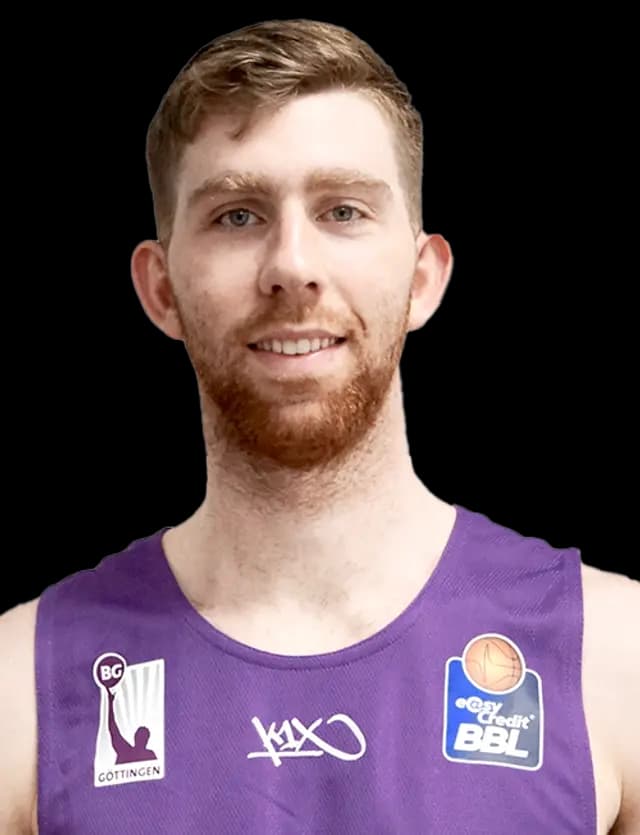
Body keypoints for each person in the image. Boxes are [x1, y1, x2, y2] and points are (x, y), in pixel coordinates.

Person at [1, 18, 637, 835]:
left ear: (422, 278)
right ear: (161, 289)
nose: (292, 267)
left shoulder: (613, 657)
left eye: (342, 210)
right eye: (237, 215)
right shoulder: (22, 687)